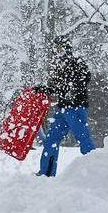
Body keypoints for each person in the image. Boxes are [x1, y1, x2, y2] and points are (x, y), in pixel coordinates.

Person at [36, 38, 94, 177]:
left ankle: (96, 170)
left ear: (66, 48)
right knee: (51, 140)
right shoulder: (60, 65)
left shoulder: (76, 63)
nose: (57, 51)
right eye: (56, 48)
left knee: (83, 139)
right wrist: (44, 89)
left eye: (60, 48)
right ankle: (46, 174)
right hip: (63, 110)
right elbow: (56, 87)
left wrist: (70, 88)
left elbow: (85, 78)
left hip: (76, 108)